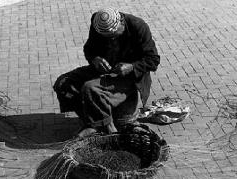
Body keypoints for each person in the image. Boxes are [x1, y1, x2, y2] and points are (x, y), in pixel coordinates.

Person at [53, 8, 160, 137]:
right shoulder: (97, 22)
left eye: (114, 35)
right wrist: (95, 59)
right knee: (63, 83)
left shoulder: (138, 26)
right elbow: (89, 49)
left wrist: (131, 67)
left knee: (91, 88)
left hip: (129, 76)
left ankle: (110, 130)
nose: (112, 39)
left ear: (121, 22)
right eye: (107, 38)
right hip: (105, 70)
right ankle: (93, 123)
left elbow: (153, 60)